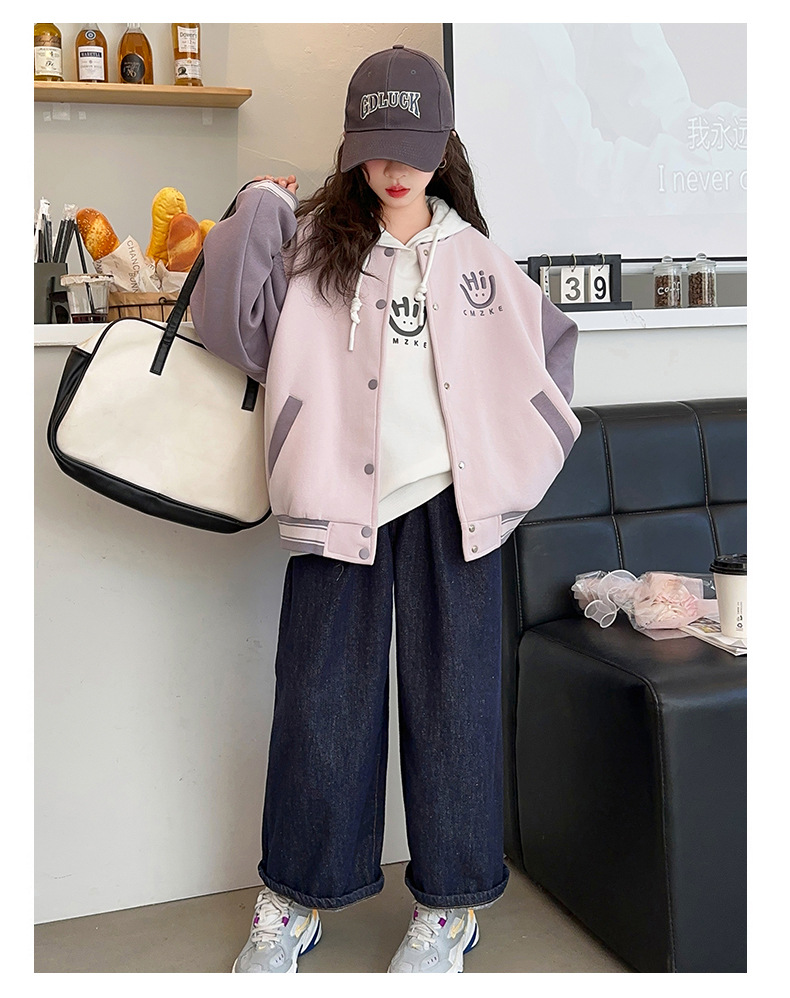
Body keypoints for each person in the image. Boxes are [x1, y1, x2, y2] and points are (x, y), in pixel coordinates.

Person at [190, 44, 581, 974]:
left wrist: (512, 469)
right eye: (377, 148)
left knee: (455, 712)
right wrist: (256, 207)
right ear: (352, 147)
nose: (395, 169)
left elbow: (553, 356)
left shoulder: (479, 258)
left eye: (413, 149)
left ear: (443, 146)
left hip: (455, 511)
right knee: (319, 708)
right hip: (339, 505)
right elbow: (226, 324)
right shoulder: (313, 249)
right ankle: (293, 901)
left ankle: (450, 909)